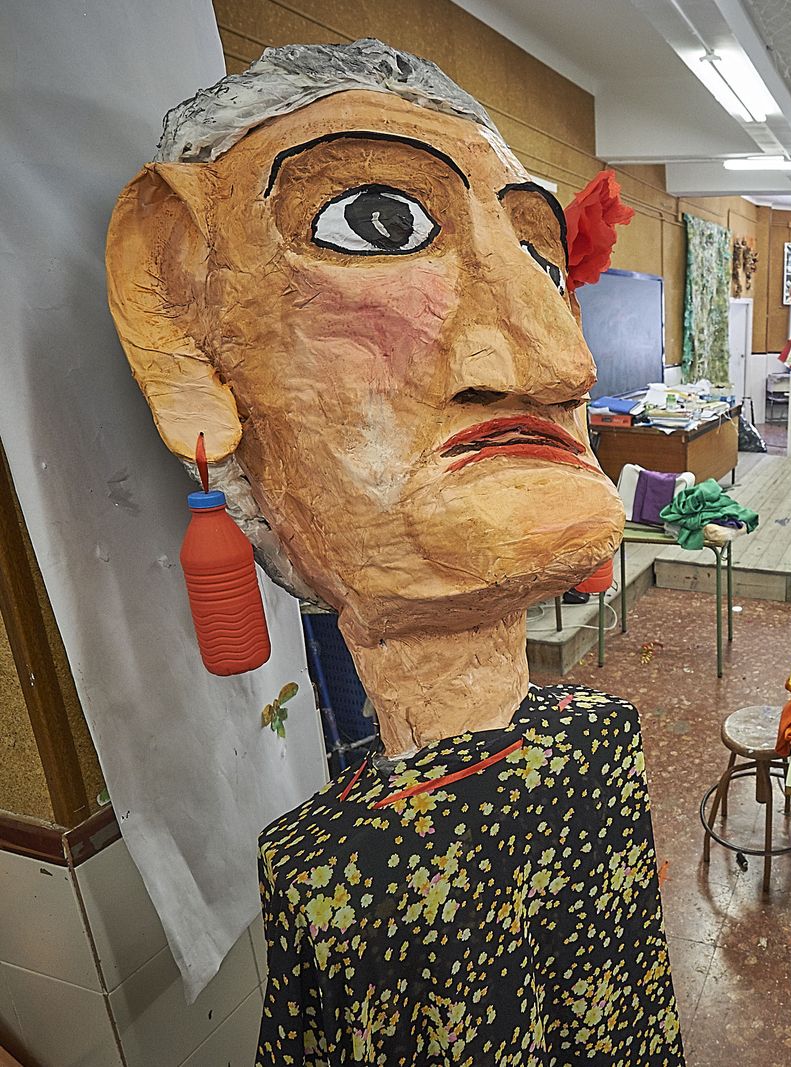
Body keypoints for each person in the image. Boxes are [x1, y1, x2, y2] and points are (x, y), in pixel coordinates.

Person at [105, 40, 683, 1061]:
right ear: (183, 317)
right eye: (380, 221)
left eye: (542, 263)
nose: (562, 362)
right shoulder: (326, 866)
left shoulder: (598, 740)